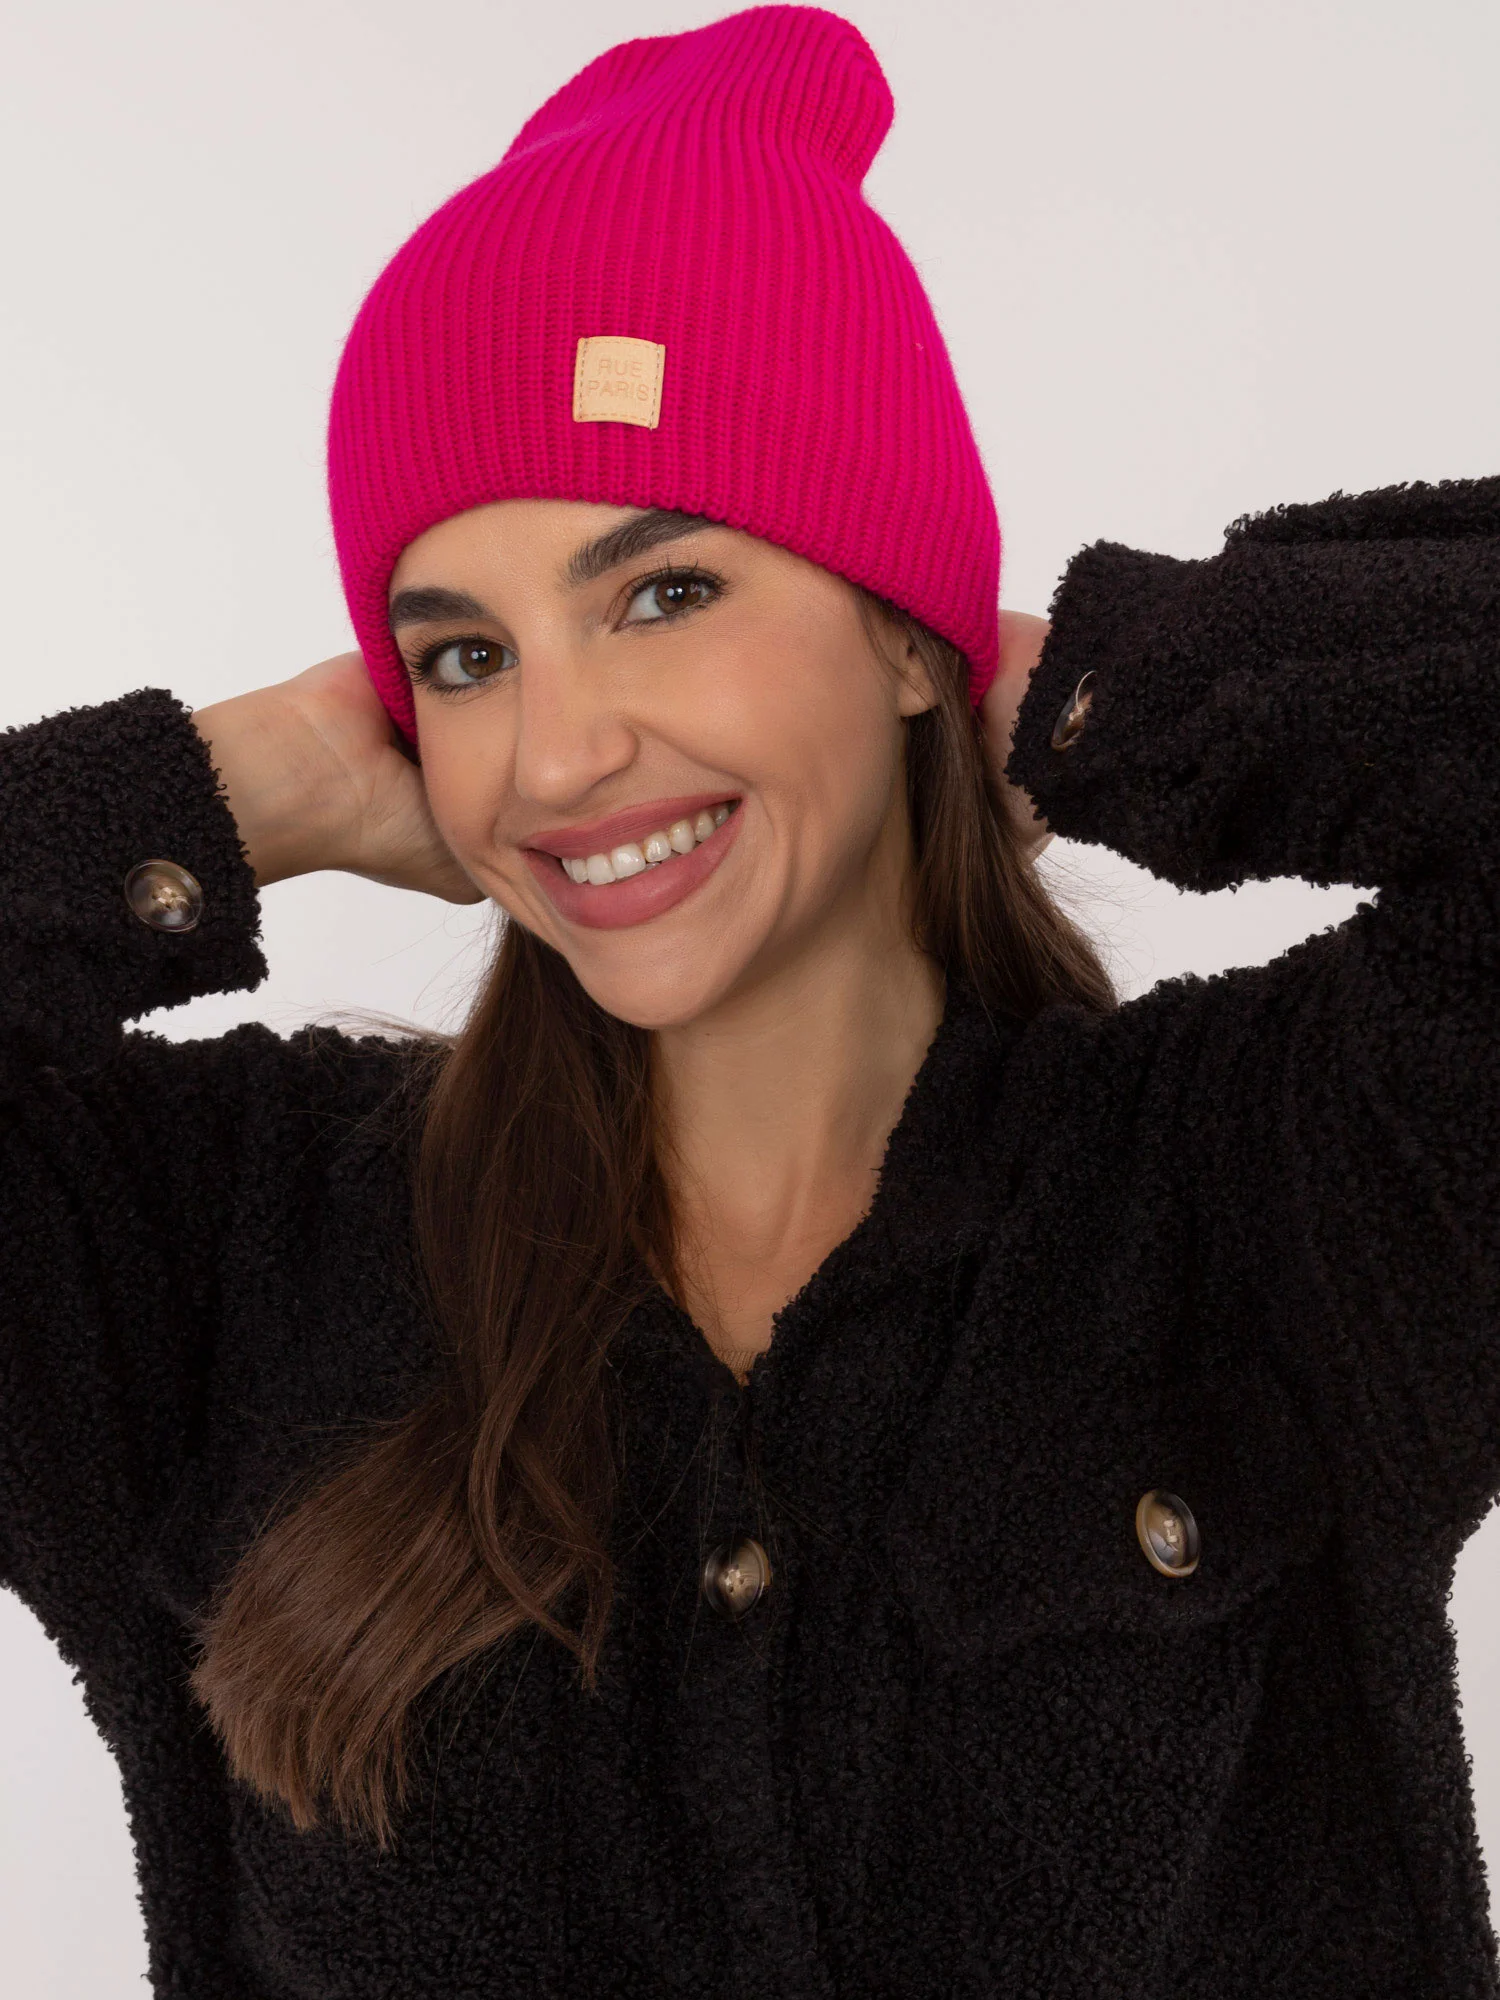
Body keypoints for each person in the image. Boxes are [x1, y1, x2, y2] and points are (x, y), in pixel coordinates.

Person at [1, 7, 1496, 1997]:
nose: (554, 757)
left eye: (666, 594)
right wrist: (239, 785)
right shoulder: (217, 1248)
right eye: (462, 658)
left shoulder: (1266, 1194)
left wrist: (1107, 695)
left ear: (906, 638)